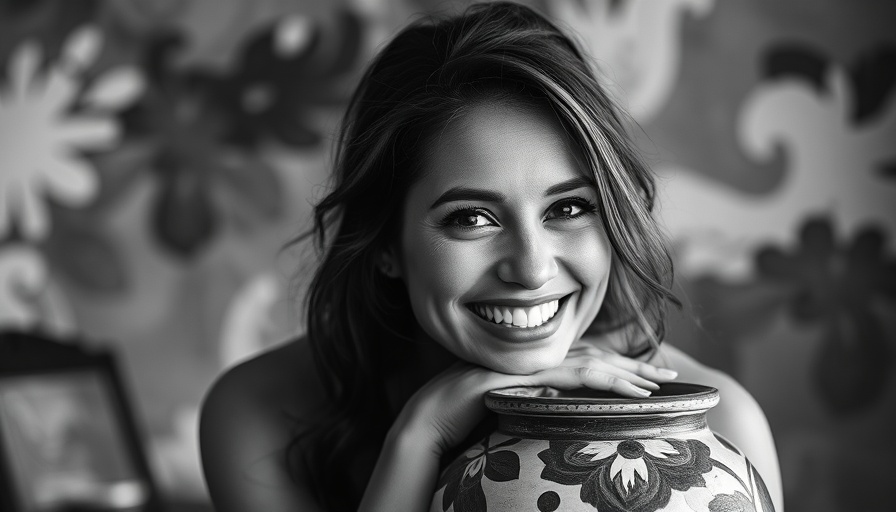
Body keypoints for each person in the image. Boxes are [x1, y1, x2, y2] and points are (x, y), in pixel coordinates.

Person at [199, 3, 783, 511]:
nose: (532, 269)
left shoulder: (719, 434)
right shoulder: (259, 416)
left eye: (569, 209)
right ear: (384, 247)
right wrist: (418, 437)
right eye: (471, 219)